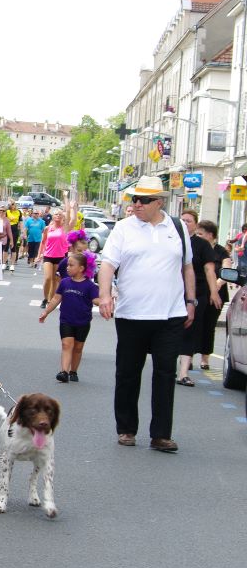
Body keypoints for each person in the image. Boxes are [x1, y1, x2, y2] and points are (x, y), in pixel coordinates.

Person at [98, 176, 193, 453]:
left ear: (159, 202)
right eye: (134, 199)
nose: (137, 204)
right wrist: (105, 295)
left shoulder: (176, 228)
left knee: (165, 373)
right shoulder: (124, 228)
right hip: (132, 314)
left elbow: (187, 267)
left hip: (170, 314)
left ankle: (161, 434)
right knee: (128, 373)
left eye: (144, 200)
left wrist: (191, 300)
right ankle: (127, 428)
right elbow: (107, 265)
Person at [39, 252, 100, 383]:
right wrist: (46, 312)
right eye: (67, 265)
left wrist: (105, 302)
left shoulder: (90, 286)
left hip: (83, 321)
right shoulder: (65, 282)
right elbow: (56, 299)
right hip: (66, 320)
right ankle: (64, 372)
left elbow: (96, 300)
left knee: (78, 348)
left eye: (71, 265)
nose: (67, 267)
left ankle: (73, 371)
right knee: (66, 345)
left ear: (81, 268)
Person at [175, 209, 220, 387]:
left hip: (198, 291)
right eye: (183, 220)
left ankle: (183, 372)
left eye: (189, 221)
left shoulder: (202, 245)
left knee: (190, 328)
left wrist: (214, 291)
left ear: (195, 224)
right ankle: (167, 367)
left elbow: (209, 269)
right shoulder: (171, 240)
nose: (185, 224)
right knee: (170, 329)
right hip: (173, 291)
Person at [197, 219, 230, 371]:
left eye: (200, 234)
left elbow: (226, 272)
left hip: (217, 293)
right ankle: (187, 356)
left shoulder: (221, 251)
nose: (198, 236)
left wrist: (214, 288)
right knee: (194, 323)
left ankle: (205, 358)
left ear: (210, 235)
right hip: (199, 291)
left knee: (209, 325)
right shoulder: (196, 248)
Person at [36, 206, 75, 307]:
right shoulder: (47, 228)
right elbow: (43, 242)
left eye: (60, 214)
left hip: (60, 257)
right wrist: (39, 254)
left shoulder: (64, 228)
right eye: (56, 214)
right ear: (53, 216)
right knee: (48, 278)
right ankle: (45, 298)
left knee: (55, 279)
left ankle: (50, 300)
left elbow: (73, 219)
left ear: (63, 217)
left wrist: (72, 207)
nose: (58, 215)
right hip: (48, 255)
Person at [6, 200, 22, 271]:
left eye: (14, 204)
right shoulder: (7, 212)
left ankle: (12, 264)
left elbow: (20, 222)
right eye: (11, 204)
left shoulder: (19, 212)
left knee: (13, 247)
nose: (13, 205)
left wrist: (21, 232)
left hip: (15, 230)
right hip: (7, 230)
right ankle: (4, 262)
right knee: (6, 246)